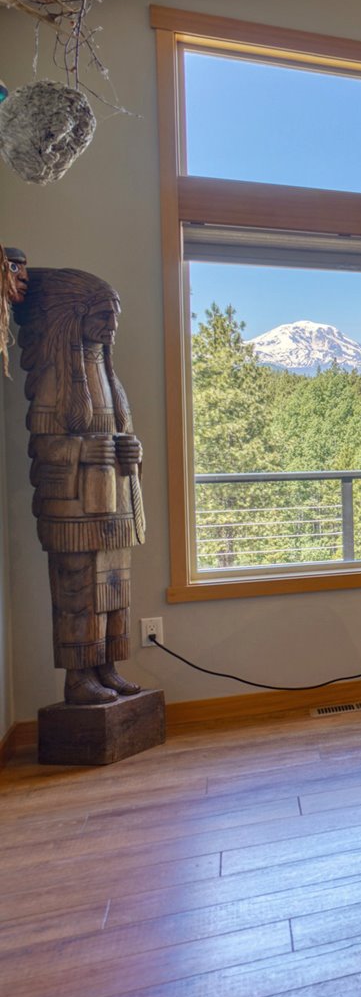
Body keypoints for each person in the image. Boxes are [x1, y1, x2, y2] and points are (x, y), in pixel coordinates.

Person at [18, 268, 146, 705]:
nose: (111, 326)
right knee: (76, 594)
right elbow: (45, 444)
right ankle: (79, 676)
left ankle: (107, 667)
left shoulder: (112, 381)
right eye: (102, 316)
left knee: (114, 592)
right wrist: (84, 454)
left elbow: (122, 435)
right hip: (74, 508)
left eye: (115, 318)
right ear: (75, 318)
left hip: (113, 506)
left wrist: (132, 452)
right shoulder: (57, 380)